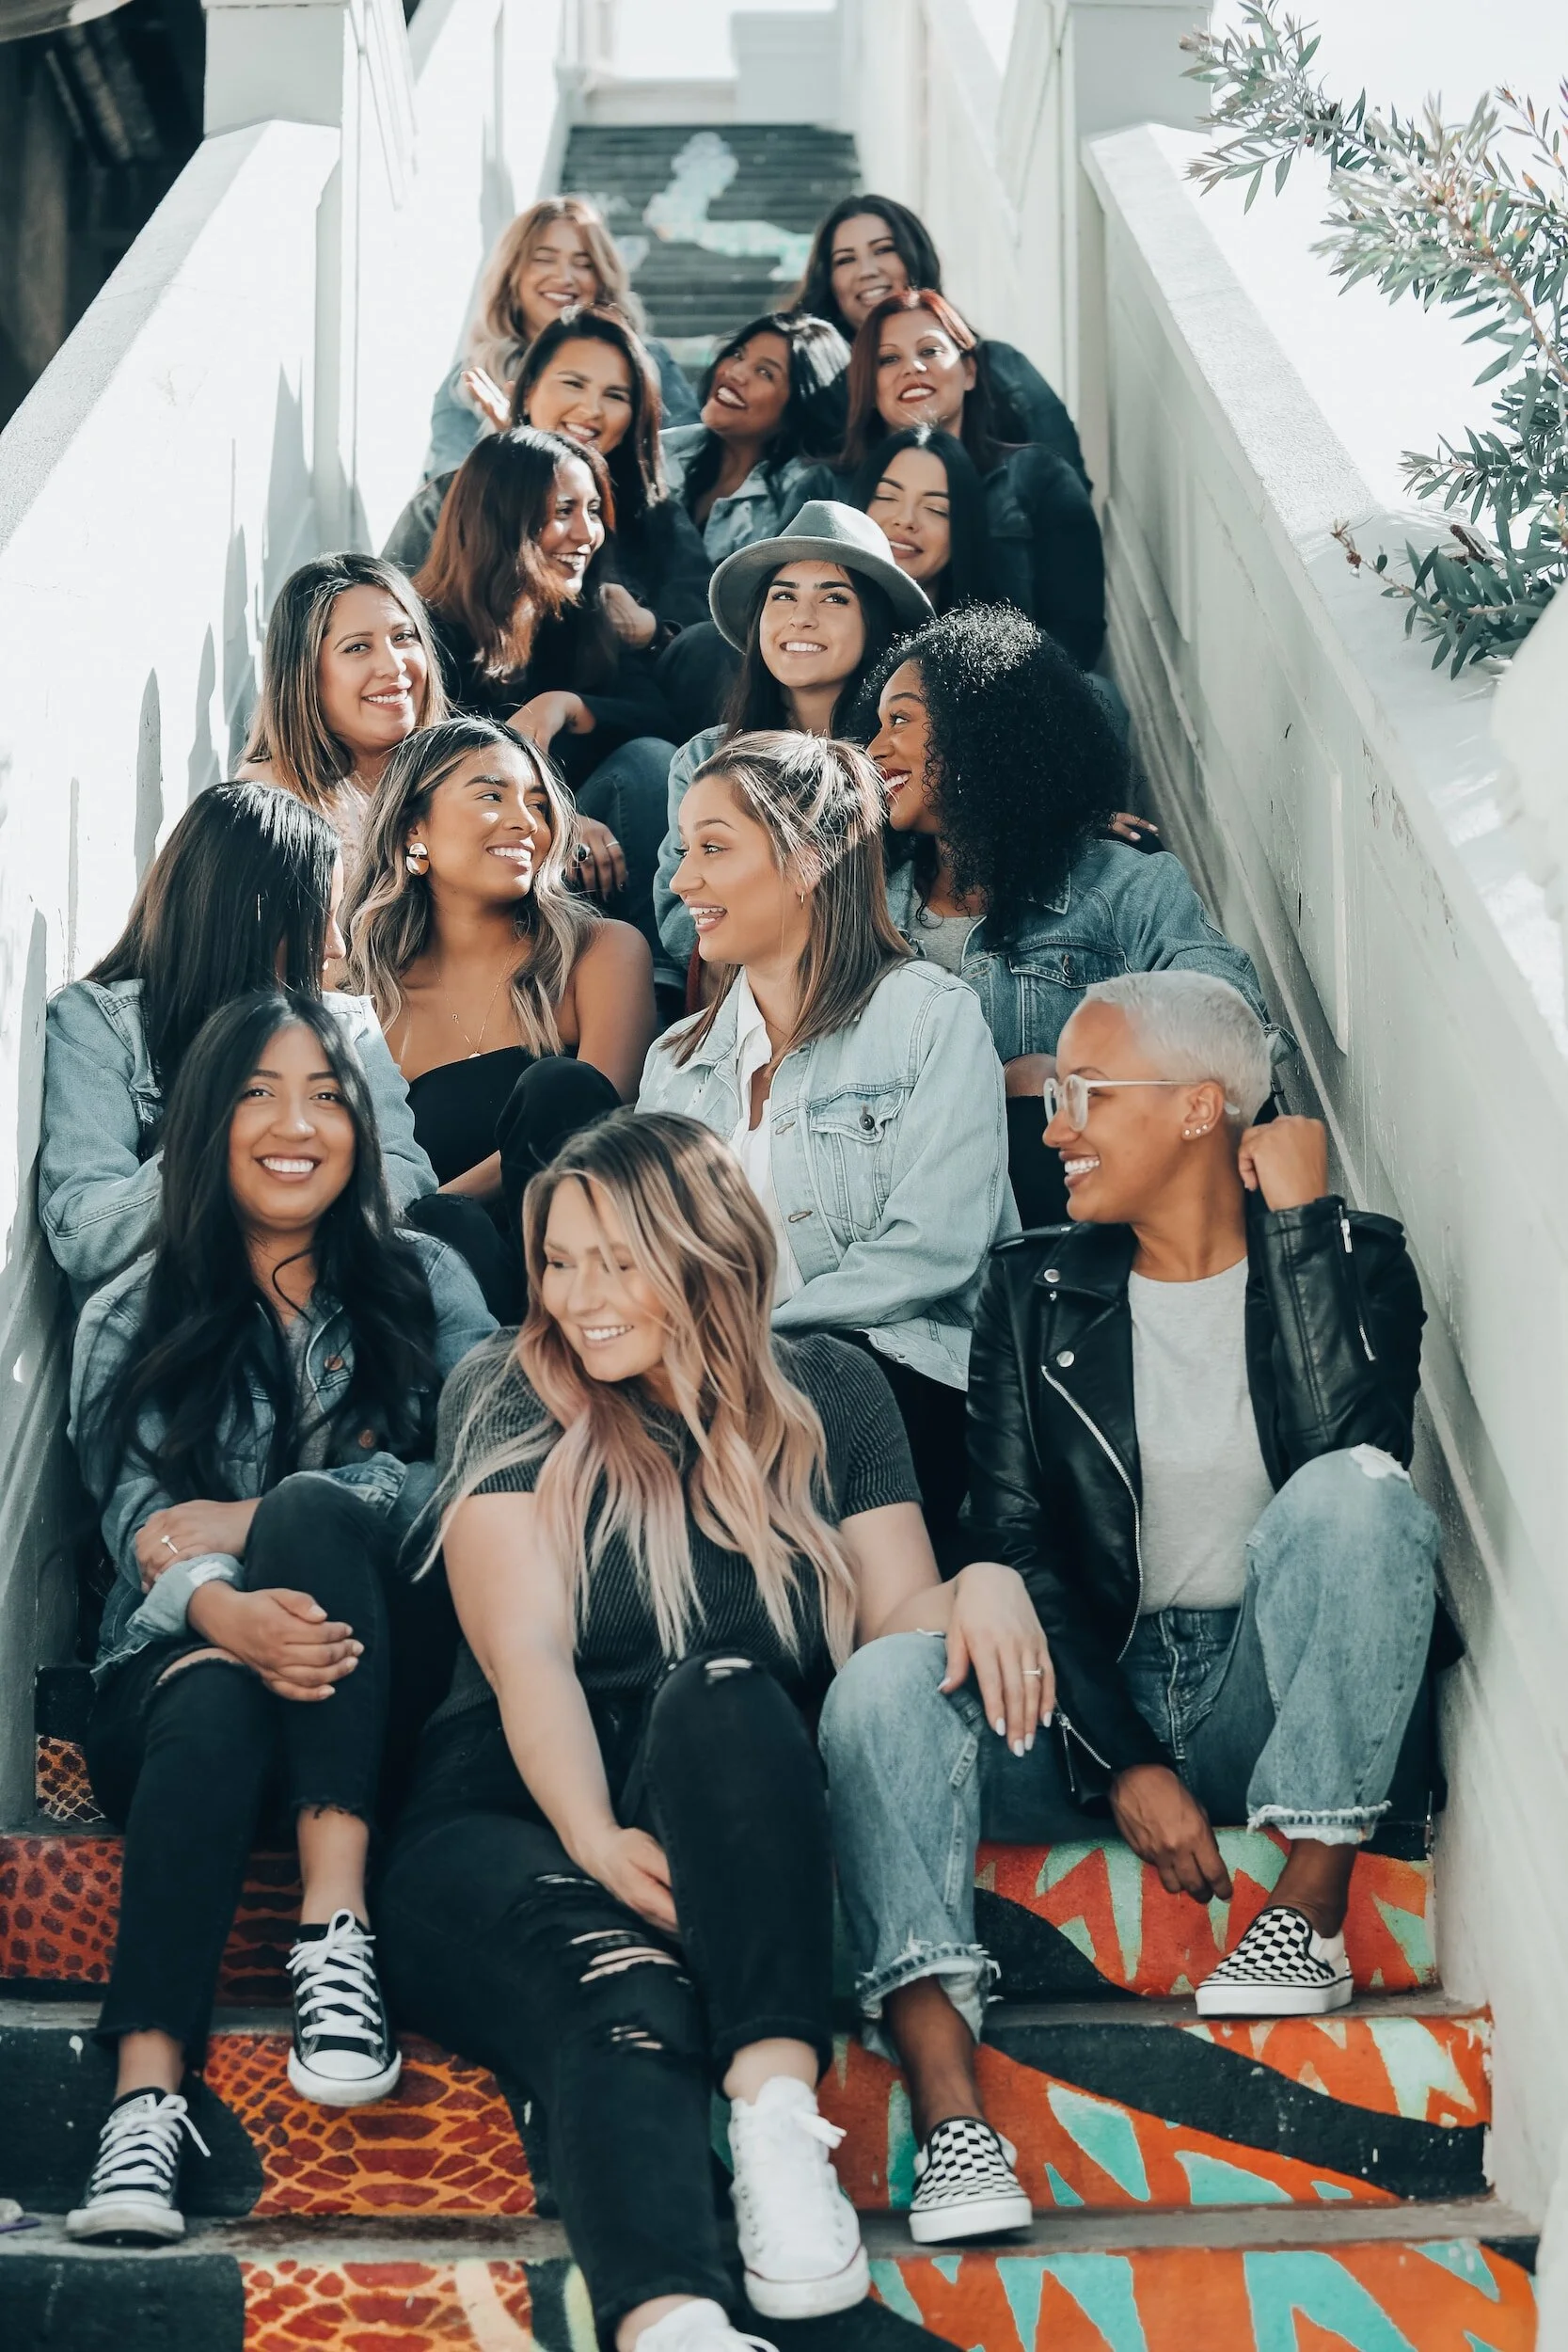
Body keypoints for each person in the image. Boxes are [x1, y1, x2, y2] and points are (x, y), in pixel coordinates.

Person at [378, 1110, 1044, 2352]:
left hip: (726, 1807)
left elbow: (896, 1625)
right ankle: (673, 2323)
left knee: (727, 1685)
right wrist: (588, 1835)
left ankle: (777, 2129)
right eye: (560, 1261)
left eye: (615, 1260)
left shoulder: (829, 1389)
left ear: (705, 1253)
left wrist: (986, 1583)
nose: (578, 1297)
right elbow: (524, 1661)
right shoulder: (506, 1394)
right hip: (506, 1811)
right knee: (621, 1996)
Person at [818, 972, 1439, 2244]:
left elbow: (1343, 1464)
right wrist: (1121, 1765)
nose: (1049, 1128)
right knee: (882, 1684)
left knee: (1364, 1500)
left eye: (1083, 1095)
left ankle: (1307, 1912)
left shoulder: (1351, 1263)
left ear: (1200, 1108)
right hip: (1079, 1697)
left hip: (1264, 1699)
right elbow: (1012, 1547)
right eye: (1053, 1098)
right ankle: (951, 2127)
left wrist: (1302, 1227)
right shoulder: (1029, 1290)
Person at [63, 989, 496, 2245]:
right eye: (257, 1092)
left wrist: (252, 1531)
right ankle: (143, 2107)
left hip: (381, 1687)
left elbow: (477, 1478)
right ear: (204, 1121)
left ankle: (334, 1929)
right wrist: (222, 1614)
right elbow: (140, 1541)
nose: (292, 1123)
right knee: (208, 1688)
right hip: (182, 1694)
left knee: (309, 1511)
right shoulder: (125, 1317)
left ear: (360, 1124)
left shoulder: (425, 1282)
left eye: (323, 1093)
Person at [641, 732, 1014, 1557]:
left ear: (807, 859)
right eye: (682, 849)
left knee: (819, 1381)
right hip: (718, 1395)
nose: (680, 880)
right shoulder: (674, 1066)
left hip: (893, 1382)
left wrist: (750, 1346)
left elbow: (934, 1251)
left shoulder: (927, 1018)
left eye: (712, 848)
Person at [867, 607, 1279, 1223]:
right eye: (876, 725)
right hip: (916, 1218)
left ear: (985, 730)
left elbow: (1231, 1026)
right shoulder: (864, 910)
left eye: (899, 719)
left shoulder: (1122, 885)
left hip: (1088, 1222)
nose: (875, 749)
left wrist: (1076, 1085)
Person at [40, 784, 435, 1309]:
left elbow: (407, 1174)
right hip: (176, 1330)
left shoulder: (345, 1026)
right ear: (256, 914)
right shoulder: (102, 1025)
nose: (337, 948)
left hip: (323, 1312)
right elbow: (81, 1231)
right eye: (321, 917)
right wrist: (232, 1151)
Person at [344, 715, 655, 1315]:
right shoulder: (363, 1003)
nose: (525, 822)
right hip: (437, 1302)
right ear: (415, 828)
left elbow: (602, 1116)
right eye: (492, 795)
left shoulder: (602, 951)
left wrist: (419, 1214)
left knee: (559, 1088)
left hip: (587, 1283)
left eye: (538, 805)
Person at [414, 425, 678, 958]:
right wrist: (553, 818)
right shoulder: (424, 633)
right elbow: (429, 777)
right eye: (564, 511)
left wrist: (567, 706)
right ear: (501, 518)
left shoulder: (579, 615)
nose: (587, 534)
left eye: (594, 511)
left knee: (651, 762)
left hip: (595, 859)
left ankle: (664, 981)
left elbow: (661, 719)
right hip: (479, 845)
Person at [653, 501, 931, 981]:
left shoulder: (904, 756)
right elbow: (682, 926)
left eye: (834, 598)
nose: (801, 618)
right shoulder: (704, 758)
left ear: (875, 622)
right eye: (782, 597)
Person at [388, 308, 711, 644]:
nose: (591, 409)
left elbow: (706, 645)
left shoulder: (659, 520)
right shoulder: (449, 498)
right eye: (573, 384)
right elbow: (389, 620)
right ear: (526, 392)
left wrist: (653, 632)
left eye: (615, 395)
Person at [839, 290, 1104, 670]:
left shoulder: (1037, 475)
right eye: (889, 359)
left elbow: (1078, 631)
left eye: (930, 351)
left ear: (970, 371)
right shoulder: (833, 487)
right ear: (868, 386)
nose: (912, 367)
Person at [788, 194, 1087, 485]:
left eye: (883, 249)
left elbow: (1068, 482)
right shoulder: (813, 392)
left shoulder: (1000, 365)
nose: (867, 271)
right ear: (828, 281)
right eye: (845, 260)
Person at [424, 196, 697, 478]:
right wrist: (513, 450)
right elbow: (448, 493)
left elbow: (687, 462)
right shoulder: (470, 382)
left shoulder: (649, 361)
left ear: (603, 277)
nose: (565, 277)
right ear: (510, 276)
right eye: (544, 259)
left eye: (584, 263)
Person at [236, 554, 449, 881]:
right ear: (304, 675)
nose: (394, 666)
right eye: (358, 647)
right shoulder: (269, 803)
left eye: (403, 637)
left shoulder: (459, 773)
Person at [661, 312, 849, 564]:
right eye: (738, 354)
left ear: (802, 405)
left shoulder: (804, 492)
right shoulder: (661, 450)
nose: (734, 373)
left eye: (764, 372)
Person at [847, 423, 1001, 613]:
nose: (906, 519)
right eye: (886, 496)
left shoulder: (991, 640)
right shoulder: (812, 625)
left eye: (936, 509)